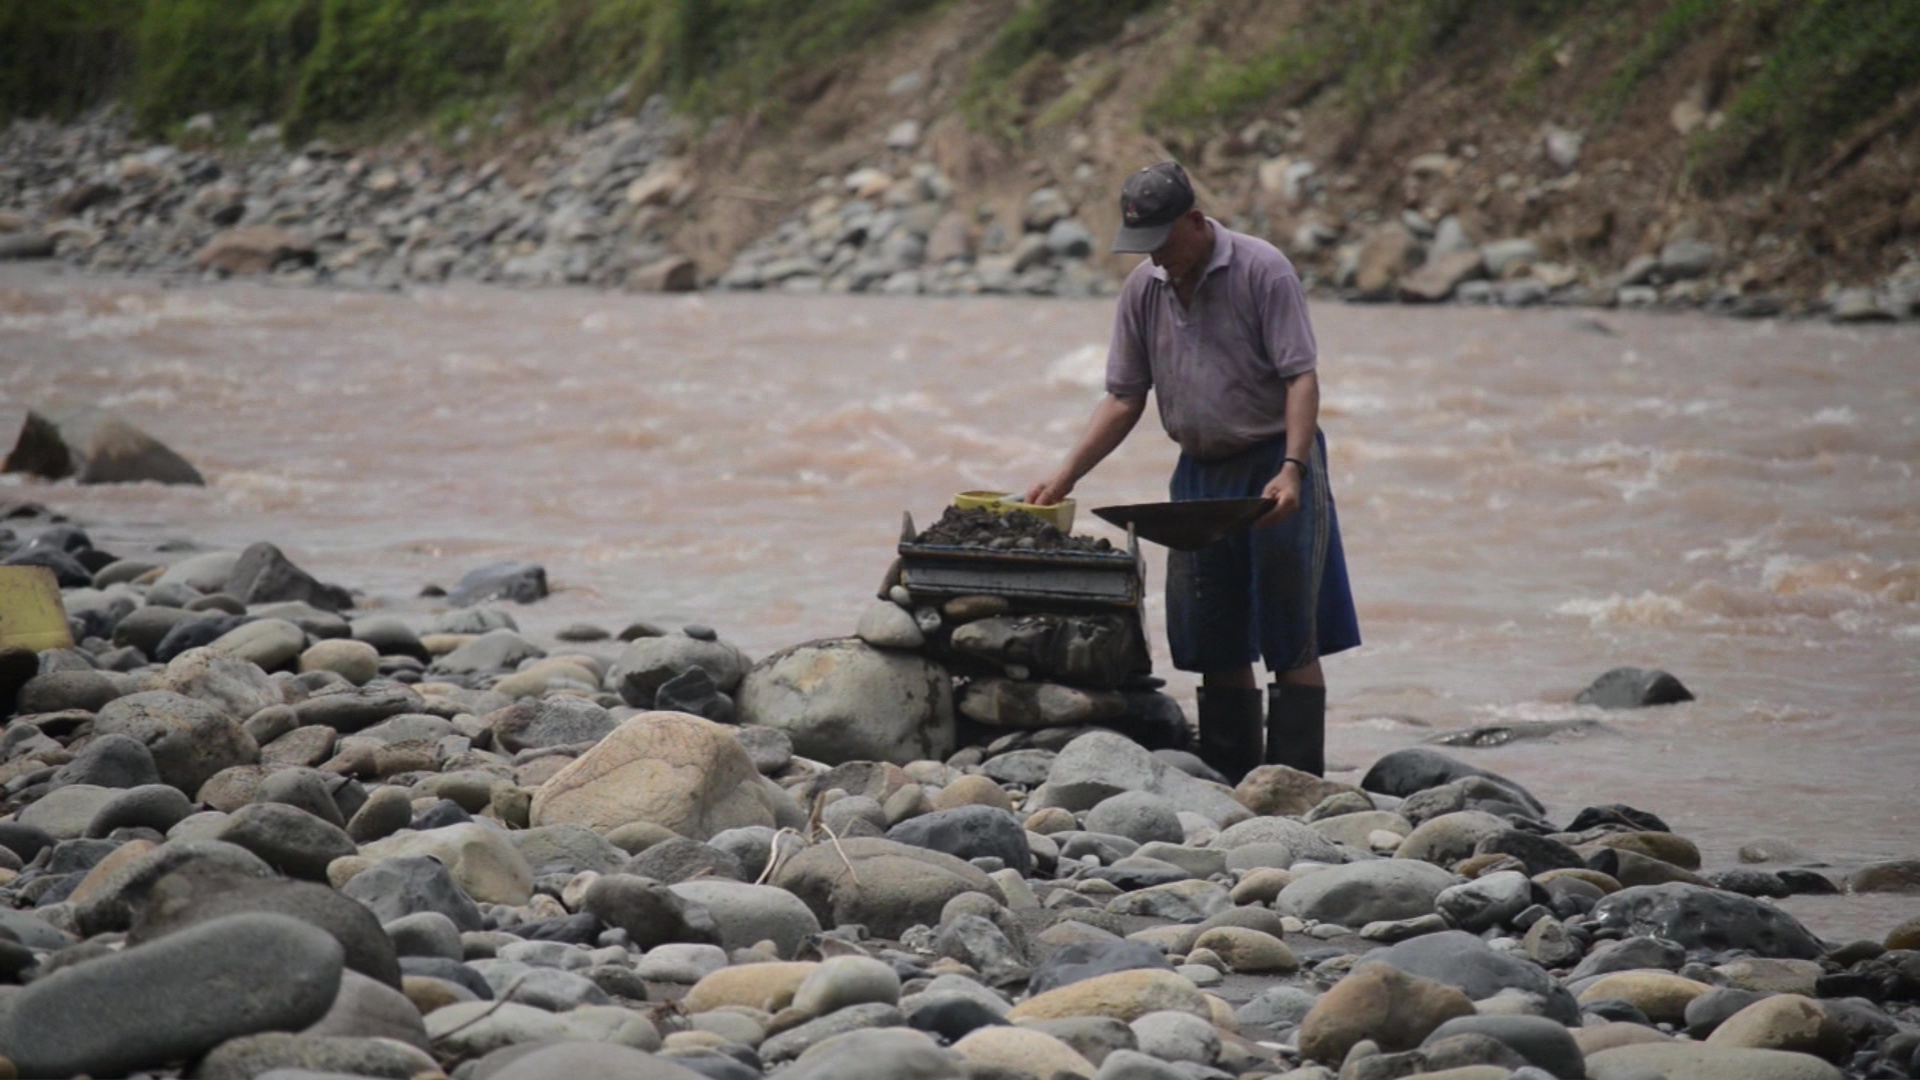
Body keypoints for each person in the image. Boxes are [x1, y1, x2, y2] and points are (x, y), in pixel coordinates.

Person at [1024, 161, 1360, 783]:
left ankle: (1298, 783)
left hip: (1274, 462)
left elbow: (1300, 377)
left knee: (1291, 629)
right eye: (1144, 248)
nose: (1158, 259)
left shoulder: (1264, 270)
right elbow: (1125, 397)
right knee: (1213, 629)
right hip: (1200, 471)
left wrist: (1291, 470)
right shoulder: (1143, 288)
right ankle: (1234, 776)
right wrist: (1066, 473)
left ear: (1197, 222)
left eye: (1164, 243)